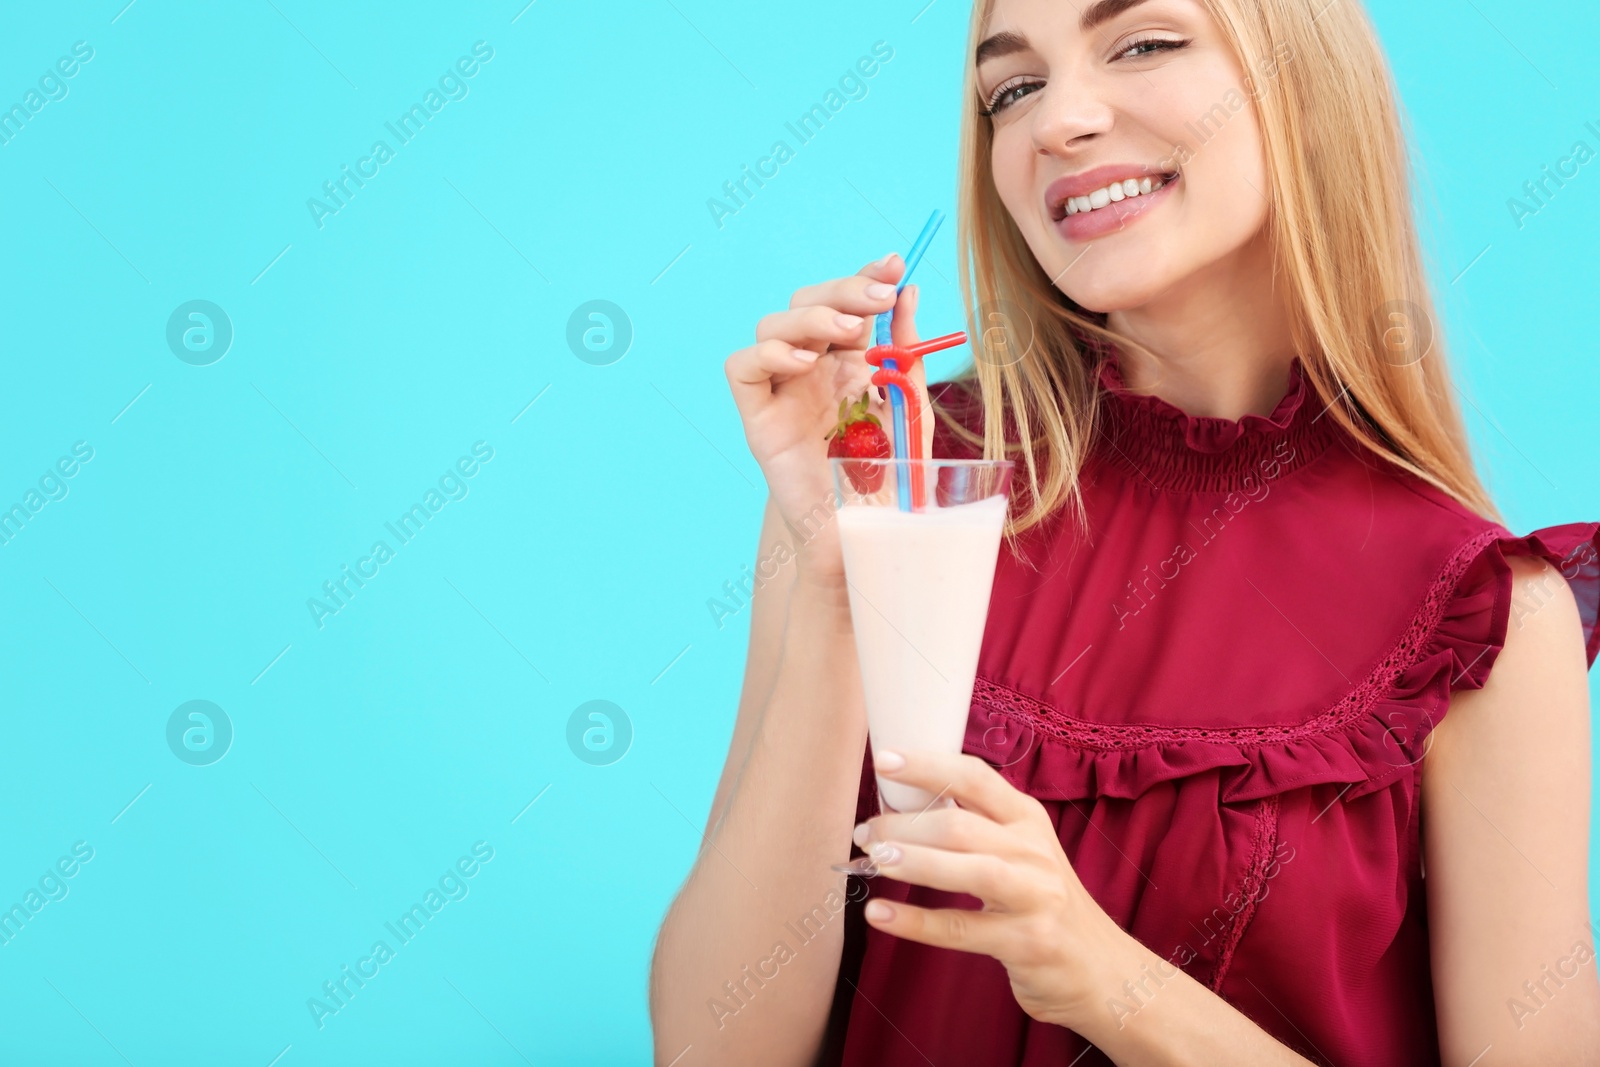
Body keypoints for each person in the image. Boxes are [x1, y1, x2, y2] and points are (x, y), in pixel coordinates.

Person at [649, 0, 1600, 1063]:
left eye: (1141, 42)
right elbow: (710, 1047)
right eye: (1011, 89)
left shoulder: (1484, 614)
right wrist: (837, 579)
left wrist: (1107, 982)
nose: (1058, 122)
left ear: (1302, 78)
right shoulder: (890, 479)